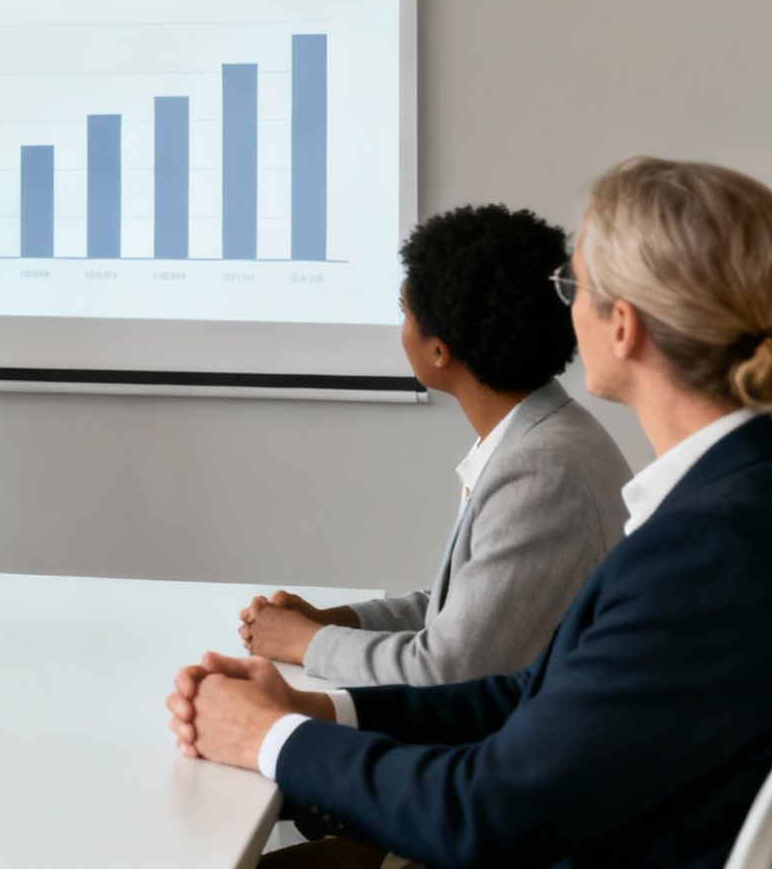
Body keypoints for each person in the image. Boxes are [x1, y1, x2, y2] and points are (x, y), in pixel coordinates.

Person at [167, 157, 772, 868]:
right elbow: (531, 696)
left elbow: (488, 814)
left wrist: (269, 739)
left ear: (624, 328)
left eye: (573, 285)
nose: (563, 307)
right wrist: (316, 713)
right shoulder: (727, 502)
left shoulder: (706, 548)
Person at [238, 205, 631, 686]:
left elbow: (445, 667)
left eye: (403, 312)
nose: (400, 328)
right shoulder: (540, 436)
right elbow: (455, 610)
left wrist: (303, 642)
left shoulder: (542, 469)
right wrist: (330, 620)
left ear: (441, 350)